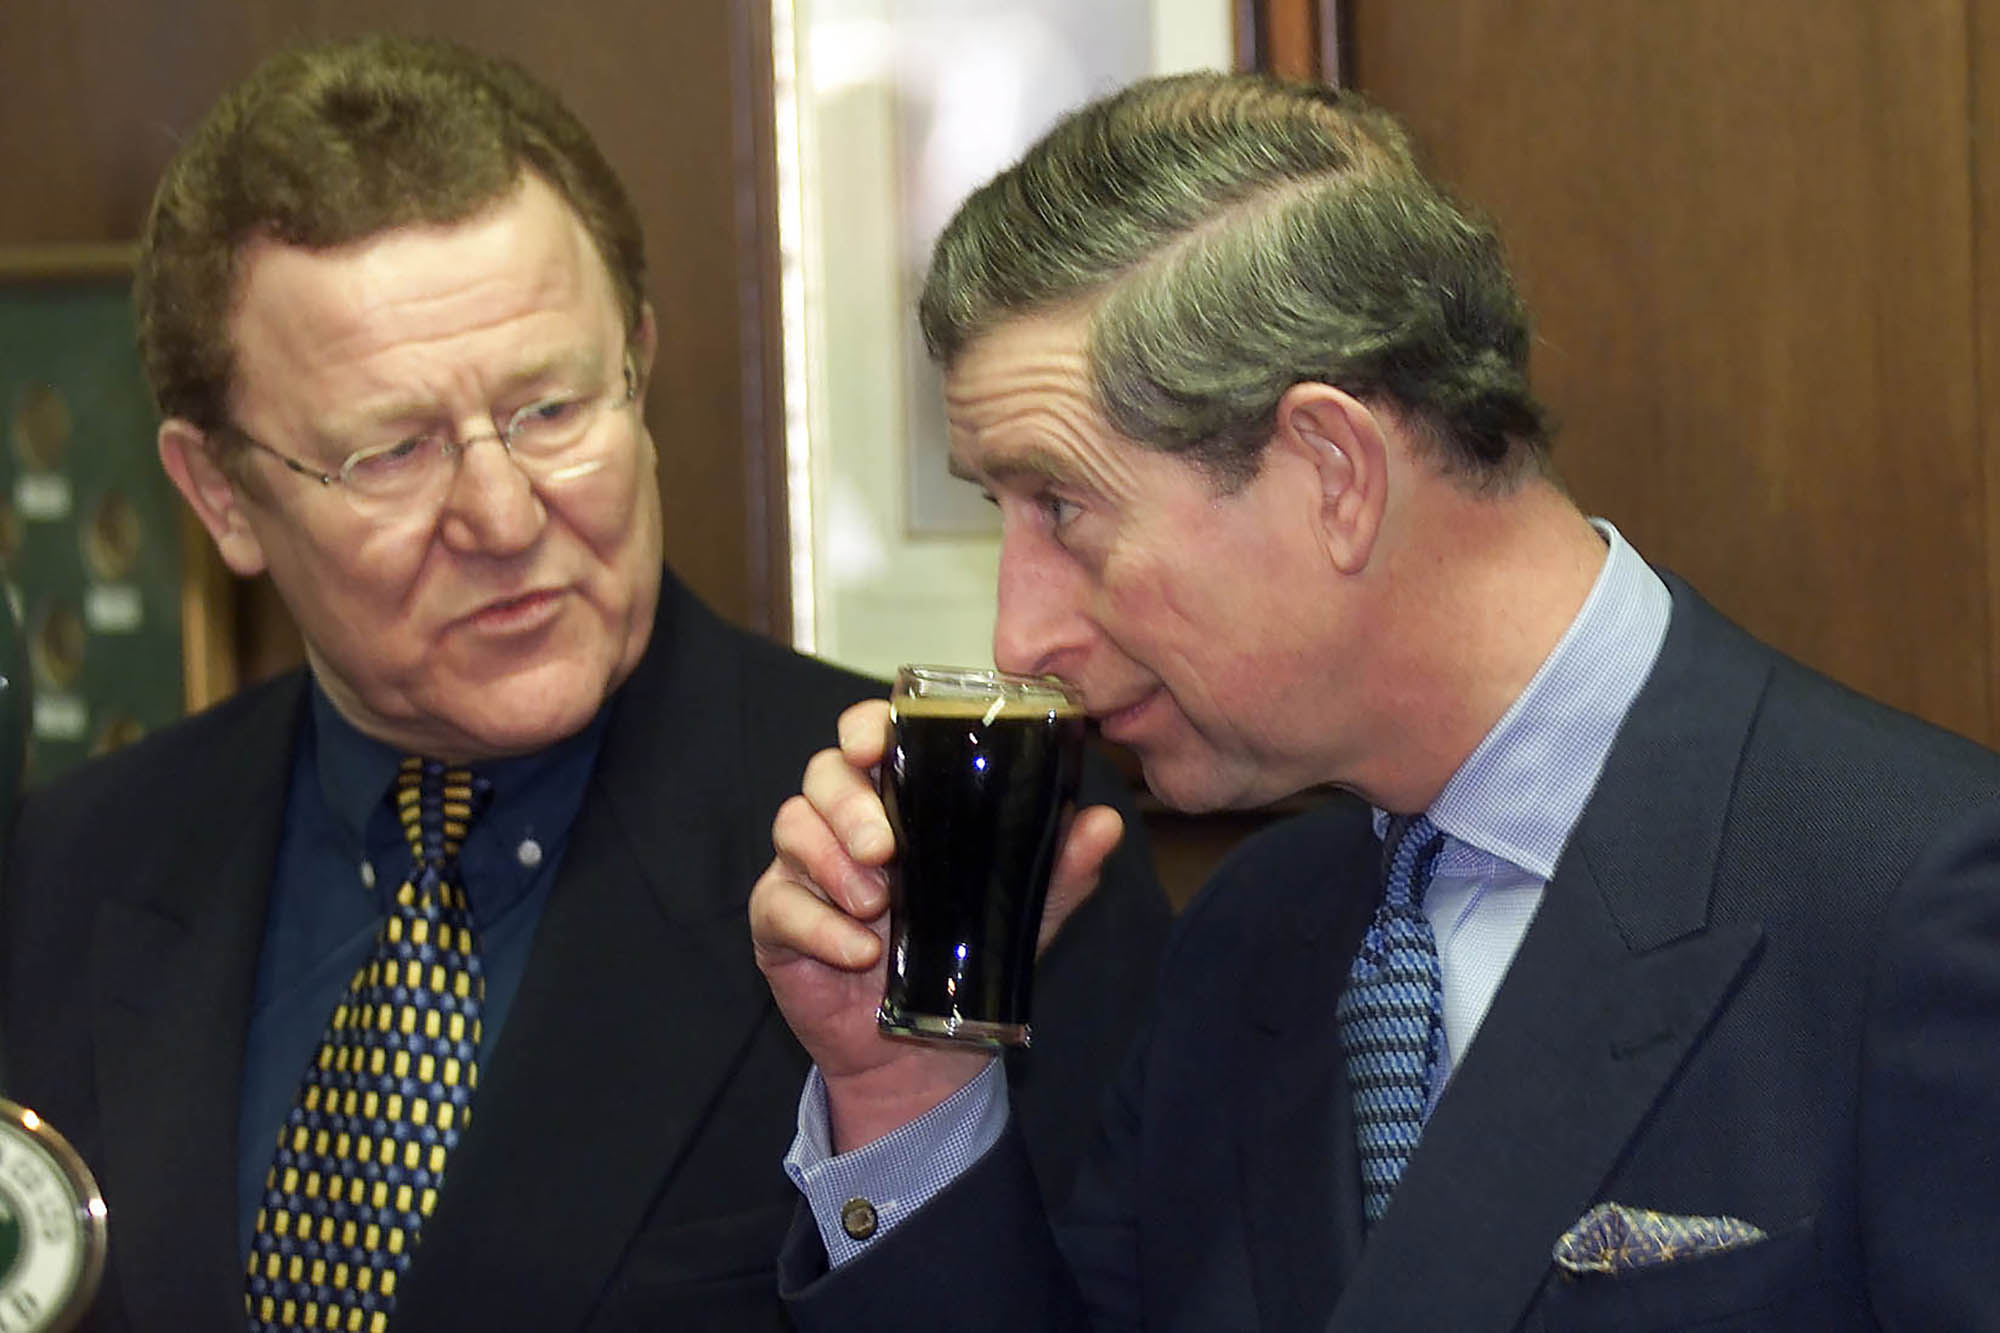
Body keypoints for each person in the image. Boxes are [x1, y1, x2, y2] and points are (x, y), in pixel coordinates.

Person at [751, 71, 2000, 1330]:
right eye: (998, 516)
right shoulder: (1245, 941)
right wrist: (908, 1089)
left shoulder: (1924, 903)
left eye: (1062, 509)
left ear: (1330, 472)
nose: (1018, 631)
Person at [0, 35, 1170, 1333]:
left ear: (641, 365)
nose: (503, 515)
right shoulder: (59, 879)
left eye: (552, 410)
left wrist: (902, 1109)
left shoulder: (944, 855)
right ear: (220, 493)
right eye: (393, 452)